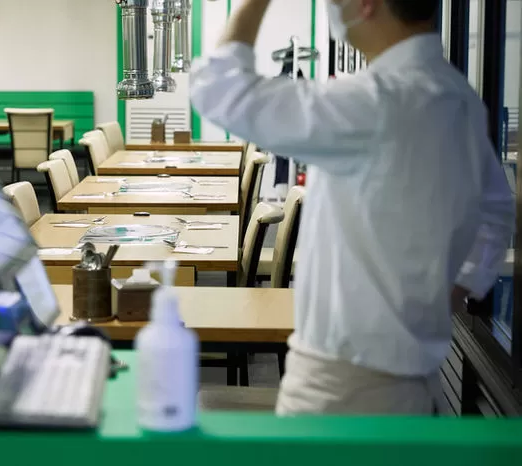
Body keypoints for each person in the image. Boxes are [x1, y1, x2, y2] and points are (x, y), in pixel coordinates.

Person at [189, 0, 515, 415]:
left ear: (364, 5)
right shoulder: (456, 94)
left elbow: (219, 88)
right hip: (412, 383)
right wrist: (453, 291)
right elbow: (496, 209)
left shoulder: (377, 99)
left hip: (343, 388)